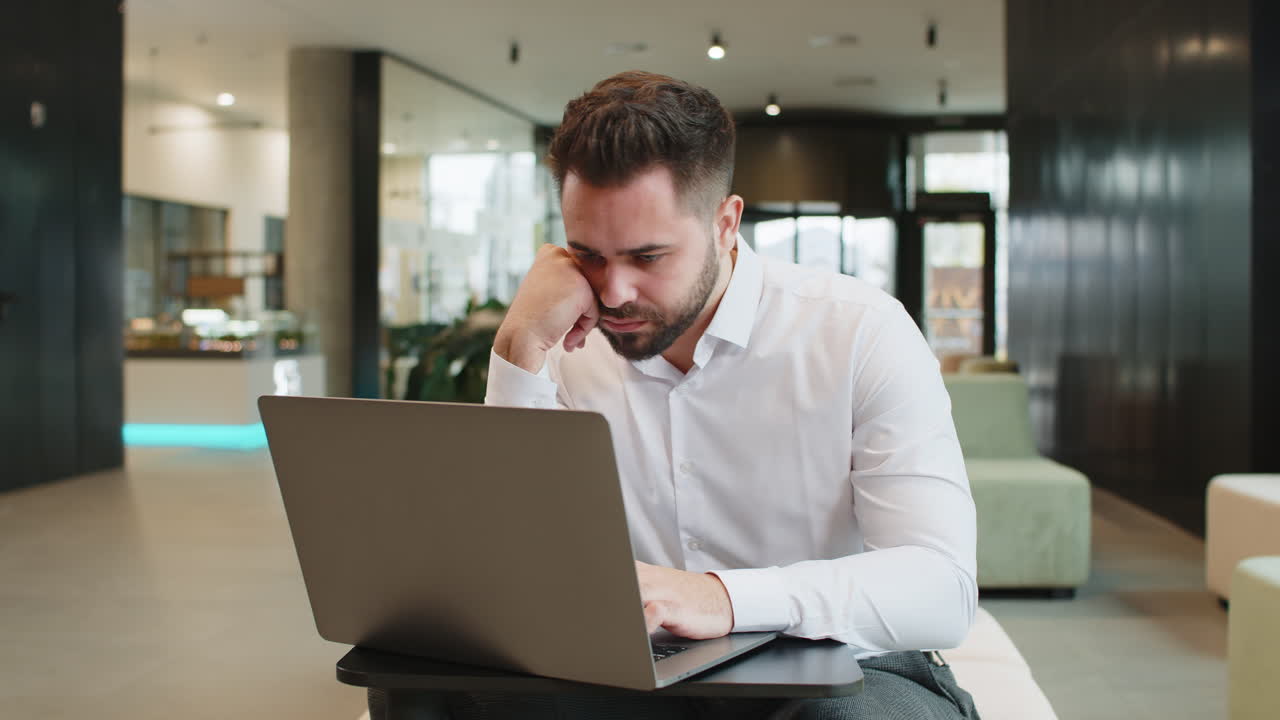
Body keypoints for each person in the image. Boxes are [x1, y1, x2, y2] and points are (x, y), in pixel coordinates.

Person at [372, 70, 980, 720]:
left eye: (648, 257)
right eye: (588, 255)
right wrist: (519, 347)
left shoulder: (860, 332)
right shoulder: (565, 342)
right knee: (422, 688)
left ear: (726, 223)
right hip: (642, 673)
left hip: (836, 665)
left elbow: (940, 588)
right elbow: (507, 569)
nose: (612, 293)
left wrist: (721, 597)